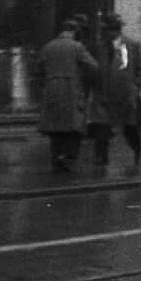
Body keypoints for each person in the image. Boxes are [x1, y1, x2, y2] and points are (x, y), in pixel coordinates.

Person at [35, 17, 97, 173]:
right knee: (74, 125)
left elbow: (39, 70)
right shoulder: (77, 46)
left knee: (55, 125)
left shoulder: (47, 47)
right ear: (75, 32)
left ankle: (56, 157)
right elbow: (93, 66)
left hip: (51, 90)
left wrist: (46, 82)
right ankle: (68, 156)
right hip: (71, 90)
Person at [90, 12, 141, 171]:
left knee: (130, 127)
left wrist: (136, 87)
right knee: (102, 126)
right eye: (108, 30)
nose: (110, 34)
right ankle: (101, 157)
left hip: (125, 95)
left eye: (113, 30)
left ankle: (137, 151)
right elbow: (94, 68)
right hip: (104, 93)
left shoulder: (132, 46)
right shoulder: (99, 47)